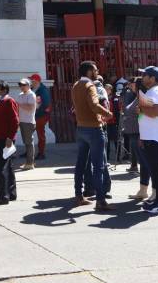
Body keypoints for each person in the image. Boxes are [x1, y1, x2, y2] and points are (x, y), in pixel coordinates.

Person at [71, 61, 112, 211]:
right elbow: (94, 105)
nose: (97, 71)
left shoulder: (76, 85)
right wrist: (108, 114)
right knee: (98, 166)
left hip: (81, 128)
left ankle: (78, 195)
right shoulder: (90, 86)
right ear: (89, 71)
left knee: (80, 164)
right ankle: (100, 201)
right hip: (94, 129)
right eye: (95, 69)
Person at [138, 65, 158, 213]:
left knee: (157, 171)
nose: (142, 77)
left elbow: (157, 111)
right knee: (155, 170)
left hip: (155, 137)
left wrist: (141, 108)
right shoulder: (153, 90)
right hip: (151, 136)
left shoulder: (156, 91)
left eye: (145, 75)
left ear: (152, 78)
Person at [0, 81, 19, 205]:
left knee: (0, 168)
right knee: (8, 166)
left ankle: (2, 196)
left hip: (5, 139)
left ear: (4, 90)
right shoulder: (0, 101)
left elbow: (15, 120)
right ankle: (11, 193)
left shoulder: (9, 101)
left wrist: (10, 137)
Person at [15, 78, 36, 170]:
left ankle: (30, 163)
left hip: (29, 121)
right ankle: (29, 162)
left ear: (29, 85)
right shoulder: (20, 95)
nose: (21, 87)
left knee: (29, 143)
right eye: (20, 85)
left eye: (24, 85)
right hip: (22, 121)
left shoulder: (31, 95)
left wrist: (19, 104)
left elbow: (30, 108)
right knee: (26, 142)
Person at [30, 74, 51, 160]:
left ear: (36, 81)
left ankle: (41, 153)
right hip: (33, 115)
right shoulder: (32, 89)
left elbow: (45, 103)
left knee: (40, 134)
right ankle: (29, 151)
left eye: (32, 81)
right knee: (29, 134)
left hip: (40, 115)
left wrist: (37, 112)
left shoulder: (43, 90)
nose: (31, 82)